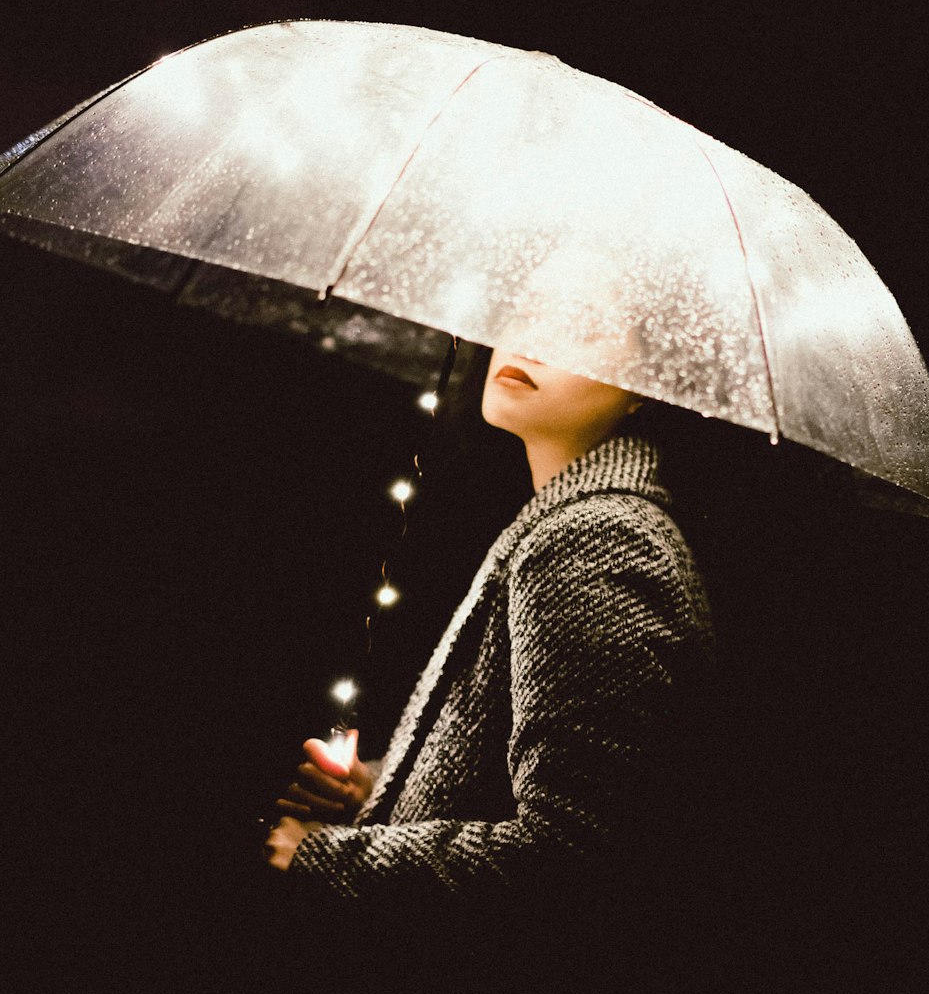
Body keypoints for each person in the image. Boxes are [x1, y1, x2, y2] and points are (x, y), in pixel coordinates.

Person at [262, 347, 715, 925]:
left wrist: (323, 858)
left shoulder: (598, 539)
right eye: (527, 304)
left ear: (646, 387)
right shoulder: (571, 517)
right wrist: (379, 790)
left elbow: (572, 853)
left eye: (581, 322)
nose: (532, 340)